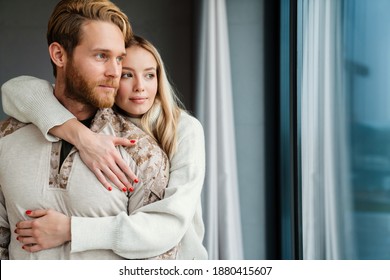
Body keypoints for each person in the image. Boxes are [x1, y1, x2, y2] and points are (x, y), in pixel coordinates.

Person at [1, 35, 208, 259]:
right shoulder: (101, 118)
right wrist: (82, 136)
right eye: (127, 75)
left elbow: (168, 223)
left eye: (149, 75)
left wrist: (70, 230)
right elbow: (14, 89)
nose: (140, 87)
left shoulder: (185, 129)